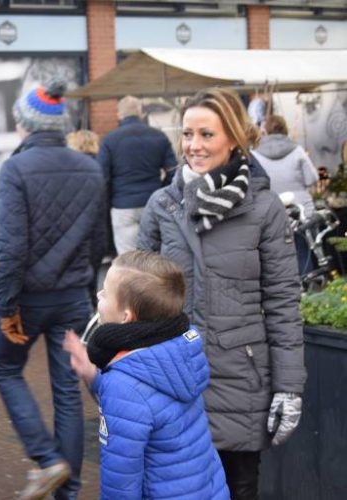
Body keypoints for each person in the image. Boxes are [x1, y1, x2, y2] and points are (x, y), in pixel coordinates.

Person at [138, 88, 306, 500]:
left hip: (240, 379)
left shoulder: (264, 209)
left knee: (239, 489)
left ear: (233, 137)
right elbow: (136, 296)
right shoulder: (163, 205)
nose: (193, 145)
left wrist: (289, 386)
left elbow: (284, 302)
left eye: (206, 135)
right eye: (187, 134)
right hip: (173, 379)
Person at [0, 77, 107, 500]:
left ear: (24, 124)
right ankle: (68, 492)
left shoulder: (15, 169)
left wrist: (6, 307)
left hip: (29, 299)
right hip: (73, 295)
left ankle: (46, 459)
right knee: (67, 394)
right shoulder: (91, 168)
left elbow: (12, 247)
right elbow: (98, 243)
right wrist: (85, 288)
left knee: (4, 369)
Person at [63, 250, 229, 500]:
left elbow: (120, 483)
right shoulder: (178, 349)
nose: (99, 295)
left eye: (106, 293)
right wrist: (93, 376)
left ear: (126, 317)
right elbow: (149, 404)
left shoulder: (124, 387)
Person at [96, 95, 177, 254]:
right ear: (141, 112)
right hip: (153, 202)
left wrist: (110, 201)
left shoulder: (109, 140)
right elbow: (173, 171)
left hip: (123, 205)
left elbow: (102, 177)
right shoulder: (158, 136)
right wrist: (162, 190)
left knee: (128, 259)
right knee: (155, 255)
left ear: (119, 114)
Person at [252, 115, 319, 275]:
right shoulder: (297, 150)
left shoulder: (255, 155)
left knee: (278, 258)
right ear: (285, 128)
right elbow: (312, 178)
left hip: (273, 212)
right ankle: (310, 292)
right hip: (302, 210)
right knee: (305, 251)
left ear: (265, 131)